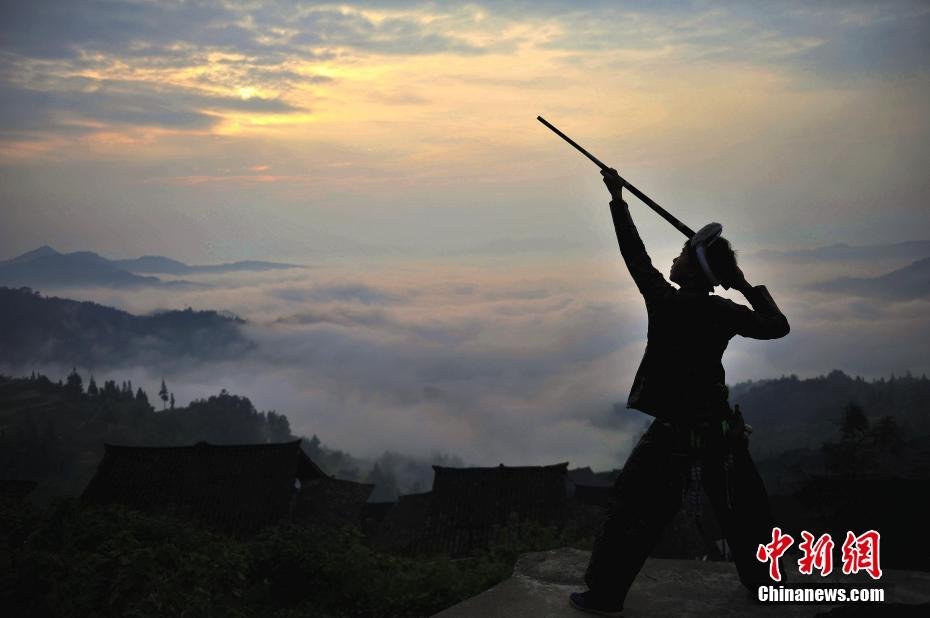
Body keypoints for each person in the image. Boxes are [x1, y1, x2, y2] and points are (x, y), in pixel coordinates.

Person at [569, 169, 790, 616]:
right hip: (720, 432)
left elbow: (635, 256)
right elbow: (777, 326)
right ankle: (766, 584)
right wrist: (742, 284)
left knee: (633, 511)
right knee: (745, 513)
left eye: (684, 255)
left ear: (693, 270)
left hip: (674, 433)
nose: (675, 259)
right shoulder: (723, 310)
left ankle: (605, 595)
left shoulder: (666, 302)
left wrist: (618, 200)